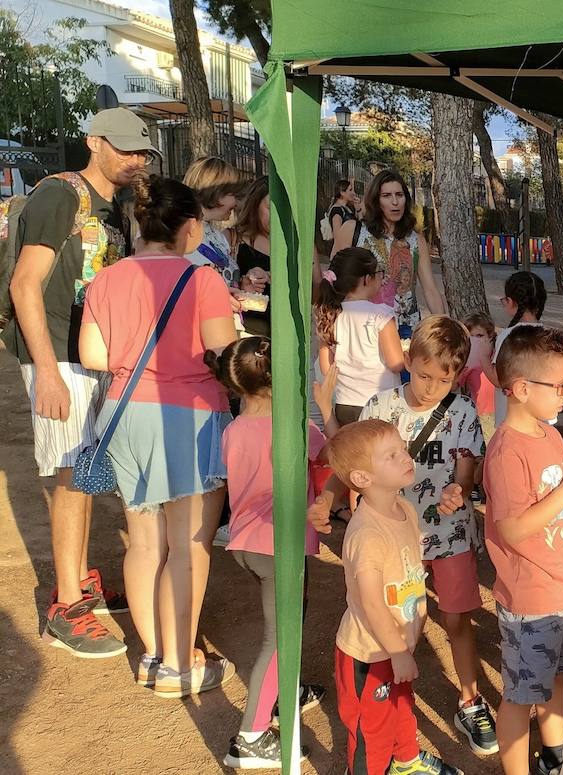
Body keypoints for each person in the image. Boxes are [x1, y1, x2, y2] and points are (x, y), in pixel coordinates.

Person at [78, 175, 238, 695]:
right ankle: (179, 663)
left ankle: (154, 654)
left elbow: (94, 357)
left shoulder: (106, 279)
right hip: (188, 418)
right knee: (188, 547)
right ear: (190, 225)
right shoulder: (204, 279)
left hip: (125, 416)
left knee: (145, 542)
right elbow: (223, 353)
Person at [3, 107, 145, 658]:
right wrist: (45, 371)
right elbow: (25, 284)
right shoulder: (60, 195)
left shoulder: (114, 205)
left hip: (85, 355)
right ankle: (66, 603)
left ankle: (77, 577)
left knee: (81, 468)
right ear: (94, 141)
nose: (134, 159)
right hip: (58, 354)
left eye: (141, 151)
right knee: (67, 471)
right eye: (125, 148)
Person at [358, 316, 499, 756]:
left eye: (443, 379)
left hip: (449, 534)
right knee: (399, 620)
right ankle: (387, 701)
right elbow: (354, 463)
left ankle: (470, 699)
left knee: (456, 618)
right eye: (422, 375)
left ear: (457, 375)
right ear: (408, 361)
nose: (430, 387)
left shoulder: (461, 412)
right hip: (395, 536)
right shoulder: (380, 408)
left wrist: (460, 490)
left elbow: (465, 472)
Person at [207, 337, 331, 768]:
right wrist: (327, 409)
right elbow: (335, 455)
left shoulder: (234, 429)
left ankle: (285, 689)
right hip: (278, 546)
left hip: (247, 543)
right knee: (279, 639)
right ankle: (250, 737)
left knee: (288, 624)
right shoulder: (296, 426)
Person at [485, 325, 563, 775]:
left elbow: (562, 488)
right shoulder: (506, 452)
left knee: (556, 677)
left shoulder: (549, 435)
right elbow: (511, 529)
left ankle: (554, 756)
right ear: (521, 389)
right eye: (561, 386)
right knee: (519, 695)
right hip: (530, 597)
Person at [327, 420, 461, 775]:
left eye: (402, 448)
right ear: (362, 478)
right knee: (370, 729)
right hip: (370, 653)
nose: (405, 456)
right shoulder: (367, 535)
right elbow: (372, 603)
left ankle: (406, 761)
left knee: (402, 706)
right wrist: (398, 652)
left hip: (398, 643)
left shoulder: (405, 508)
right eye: (391, 455)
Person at [332, 169, 445, 334]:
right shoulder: (353, 230)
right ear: (376, 200)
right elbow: (334, 279)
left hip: (405, 330)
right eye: (387, 196)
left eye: (399, 195)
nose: (395, 202)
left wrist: (445, 325)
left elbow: (430, 289)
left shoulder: (415, 240)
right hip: (363, 329)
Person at [316, 247, 405, 427]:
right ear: (366, 279)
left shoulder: (330, 315)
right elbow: (396, 363)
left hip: (345, 404)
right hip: (381, 402)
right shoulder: (382, 314)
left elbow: (327, 369)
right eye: (379, 273)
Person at [487, 270, 548, 426]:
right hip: (541, 418)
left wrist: (482, 357)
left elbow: (499, 379)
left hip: (512, 421)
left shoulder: (508, 336)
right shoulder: (548, 335)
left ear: (510, 301)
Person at [182, 156, 249, 290]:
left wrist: (243, 285)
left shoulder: (217, 237)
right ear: (216, 191)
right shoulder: (175, 231)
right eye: (233, 194)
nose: (236, 203)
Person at [234, 177, 272, 336]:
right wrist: (243, 284)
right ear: (255, 206)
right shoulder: (234, 240)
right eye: (270, 207)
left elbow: (312, 291)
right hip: (248, 334)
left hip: (286, 334)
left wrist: (270, 276)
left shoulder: (297, 244)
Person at [460, 312, 499, 444]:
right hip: (480, 413)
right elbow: (457, 384)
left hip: (500, 411)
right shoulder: (466, 362)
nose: (475, 340)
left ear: (490, 337)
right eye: (470, 337)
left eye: (479, 336)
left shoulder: (497, 358)